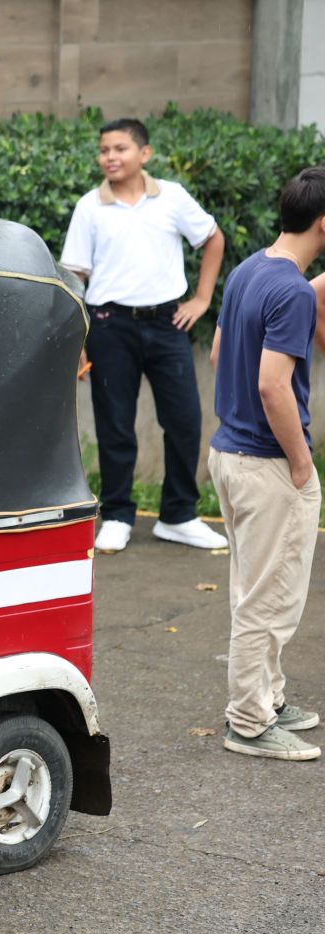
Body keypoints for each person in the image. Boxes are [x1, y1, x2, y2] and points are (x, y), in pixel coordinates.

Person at [61, 118, 227, 554]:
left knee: (186, 420)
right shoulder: (89, 207)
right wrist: (77, 342)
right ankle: (116, 514)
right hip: (108, 326)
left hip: (168, 323)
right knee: (115, 426)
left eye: (120, 149)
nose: (110, 157)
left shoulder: (170, 197)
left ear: (144, 154)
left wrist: (202, 299)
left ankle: (178, 514)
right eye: (104, 150)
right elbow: (75, 276)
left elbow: (212, 238)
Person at [207, 167, 325, 762]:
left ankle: (268, 698)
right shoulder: (293, 292)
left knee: (257, 591)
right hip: (269, 464)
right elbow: (274, 386)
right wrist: (302, 466)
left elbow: (219, 349)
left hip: (229, 454)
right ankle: (249, 722)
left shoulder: (250, 270)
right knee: (269, 599)